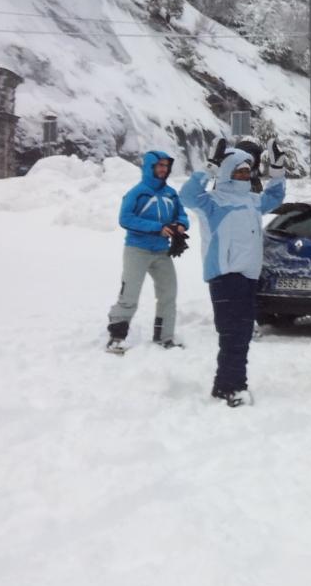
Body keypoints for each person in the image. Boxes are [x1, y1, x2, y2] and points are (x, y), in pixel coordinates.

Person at [181, 140, 288, 407]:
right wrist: (209, 169)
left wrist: (276, 170)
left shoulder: (253, 201)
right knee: (232, 334)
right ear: (226, 171)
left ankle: (227, 384)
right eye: (238, 170)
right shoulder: (212, 201)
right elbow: (187, 196)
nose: (243, 175)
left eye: (246, 171)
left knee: (241, 334)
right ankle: (231, 387)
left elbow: (275, 197)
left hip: (249, 275)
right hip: (224, 274)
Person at [105, 150, 190, 354]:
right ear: (149, 167)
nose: (163, 169)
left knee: (169, 294)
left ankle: (164, 337)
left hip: (162, 251)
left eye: (166, 166)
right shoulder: (137, 192)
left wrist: (180, 226)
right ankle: (116, 337)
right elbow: (125, 218)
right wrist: (157, 227)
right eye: (159, 165)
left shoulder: (171, 193)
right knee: (130, 294)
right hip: (137, 249)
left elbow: (182, 214)